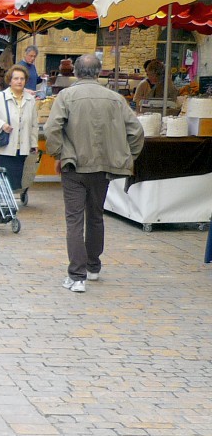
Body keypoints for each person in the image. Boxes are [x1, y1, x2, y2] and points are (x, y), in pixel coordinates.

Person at [44, 54, 144, 293]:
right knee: (96, 216)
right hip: (102, 167)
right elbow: (137, 132)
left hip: (75, 165)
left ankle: (77, 275)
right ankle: (93, 267)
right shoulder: (115, 98)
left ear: (76, 73)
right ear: (98, 72)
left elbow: (51, 129)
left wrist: (60, 154)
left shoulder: (66, 96)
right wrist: (126, 157)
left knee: (75, 220)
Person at [0, 65, 39, 201]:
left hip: (22, 147)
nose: (19, 81)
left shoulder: (30, 100)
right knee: (3, 177)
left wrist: (34, 143)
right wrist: (1, 125)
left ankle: (14, 198)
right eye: (16, 79)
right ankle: (4, 201)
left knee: (17, 178)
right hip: (4, 146)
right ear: (10, 81)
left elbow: (34, 124)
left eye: (22, 79)